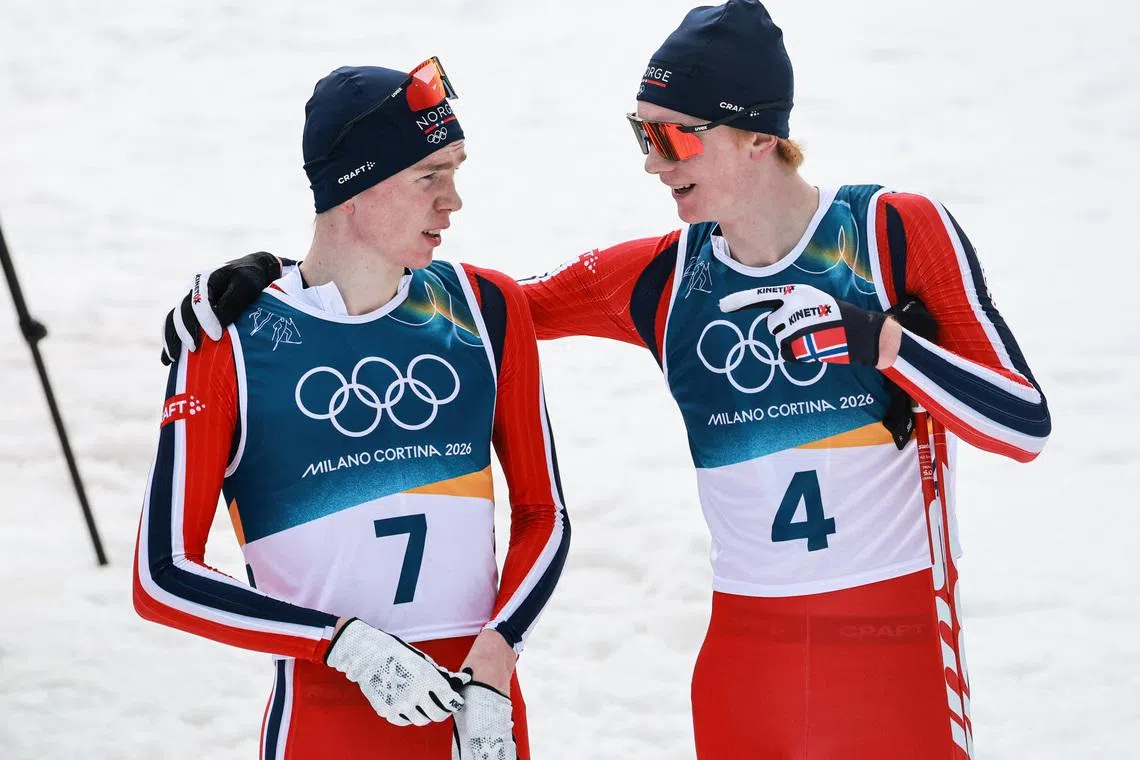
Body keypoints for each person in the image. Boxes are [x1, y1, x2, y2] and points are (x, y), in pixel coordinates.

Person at [158, 2, 1051, 757]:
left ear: (757, 136)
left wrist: (886, 345)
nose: (652, 161)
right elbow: (462, 309)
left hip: (893, 644)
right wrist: (264, 283)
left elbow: (1022, 425)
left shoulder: (891, 234)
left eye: (671, 136)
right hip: (744, 659)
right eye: (640, 134)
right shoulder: (663, 277)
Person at [134, 58, 570, 760]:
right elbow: (162, 575)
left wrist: (497, 658)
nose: (453, 201)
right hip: (326, 726)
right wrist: (345, 645)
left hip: (481, 716)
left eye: (456, 171)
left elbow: (542, 513)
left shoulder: (485, 307)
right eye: (429, 175)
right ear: (354, 189)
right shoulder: (226, 341)